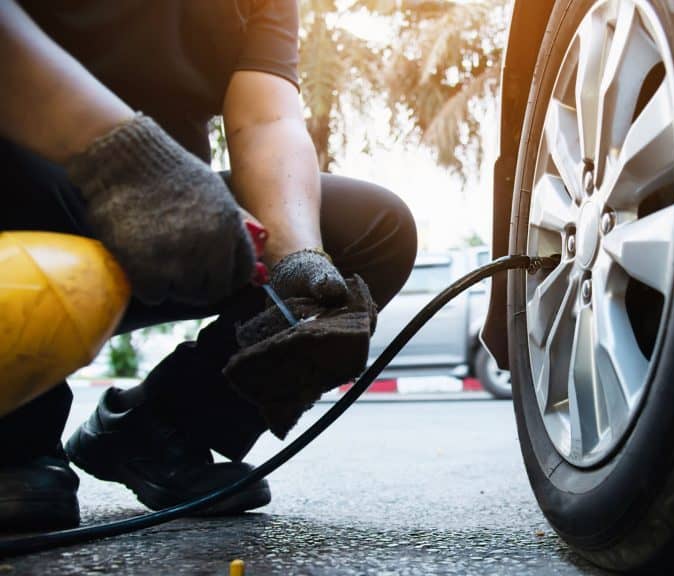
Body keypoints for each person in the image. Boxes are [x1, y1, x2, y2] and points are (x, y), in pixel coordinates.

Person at [0, 0, 417, 530]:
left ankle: (158, 428)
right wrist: (125, 161)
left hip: (168, 223)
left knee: (375, 230)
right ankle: (15, 439)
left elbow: (266, 118)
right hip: (26, 202)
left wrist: (296, 260)